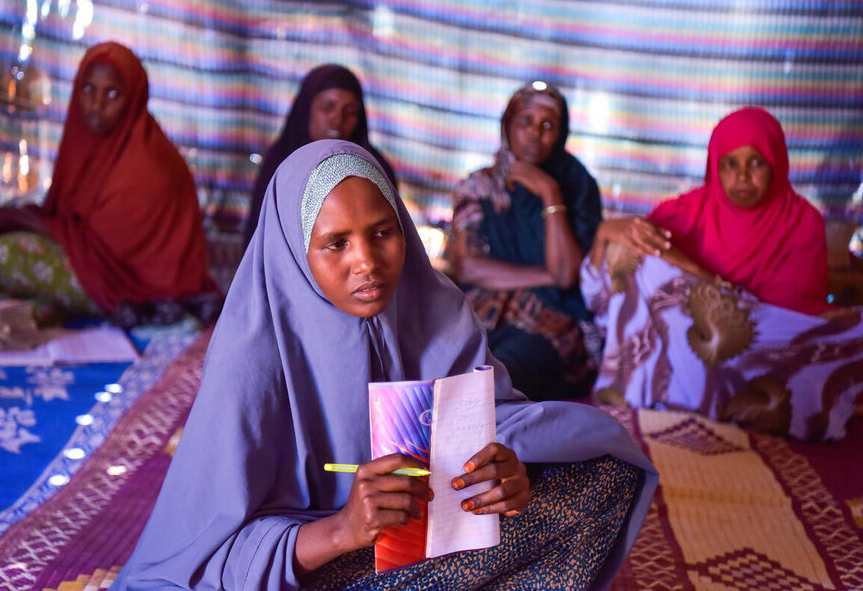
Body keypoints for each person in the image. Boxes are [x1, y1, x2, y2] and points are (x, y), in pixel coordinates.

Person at [111, 140, 656, 591]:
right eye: (335, 244)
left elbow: (493, 421)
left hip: (425, 545)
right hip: (321, 565)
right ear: (297, 255)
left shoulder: (435, 307)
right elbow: (202, 559)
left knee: (605, 472)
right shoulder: (250, 360)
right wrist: (344, 529)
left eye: (382, 232)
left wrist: (511, 470)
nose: (366, 262)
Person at [582, 106, 863, 441]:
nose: (742, 176)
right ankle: (667, 395)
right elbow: (599, 294)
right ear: (714, 166)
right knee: (632, 251)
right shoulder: (682, 214)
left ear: (776, 163)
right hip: (680, 354)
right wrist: (603, 233)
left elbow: (786, 322)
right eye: (729, 164)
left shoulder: (801, 222)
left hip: (761, 352)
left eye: (756, 162)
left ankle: (703, 398)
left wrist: (711, 291)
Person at [0, 42, 220, 327]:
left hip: (140, 288)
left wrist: (32, 223)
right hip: (94, 267)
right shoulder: (87, 143)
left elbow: (106, 256)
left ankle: (48, 309)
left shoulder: (148, 161)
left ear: (134, 97)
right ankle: (45, 310)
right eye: (88, 89)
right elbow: (70, 224)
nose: (97, 105)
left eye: (112, 94)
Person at [448, 82, 602, 401]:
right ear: (507, 126)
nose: (535, 134)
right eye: (525, 122)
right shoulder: (479, 186)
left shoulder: (577, 186)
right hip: (482, 314)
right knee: (447, 367)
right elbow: (467, 267)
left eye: (548, 125)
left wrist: (549, 193)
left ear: (560, 134)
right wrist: (549, 275)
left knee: (498, 380)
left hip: (551, 321)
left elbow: (568, 274)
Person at [242, 64, 396, 249]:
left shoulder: (374, 169)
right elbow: (259, 238)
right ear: (306, 110)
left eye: (350, 112)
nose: (338, 119)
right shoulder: (281, 162)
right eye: (327, 107)